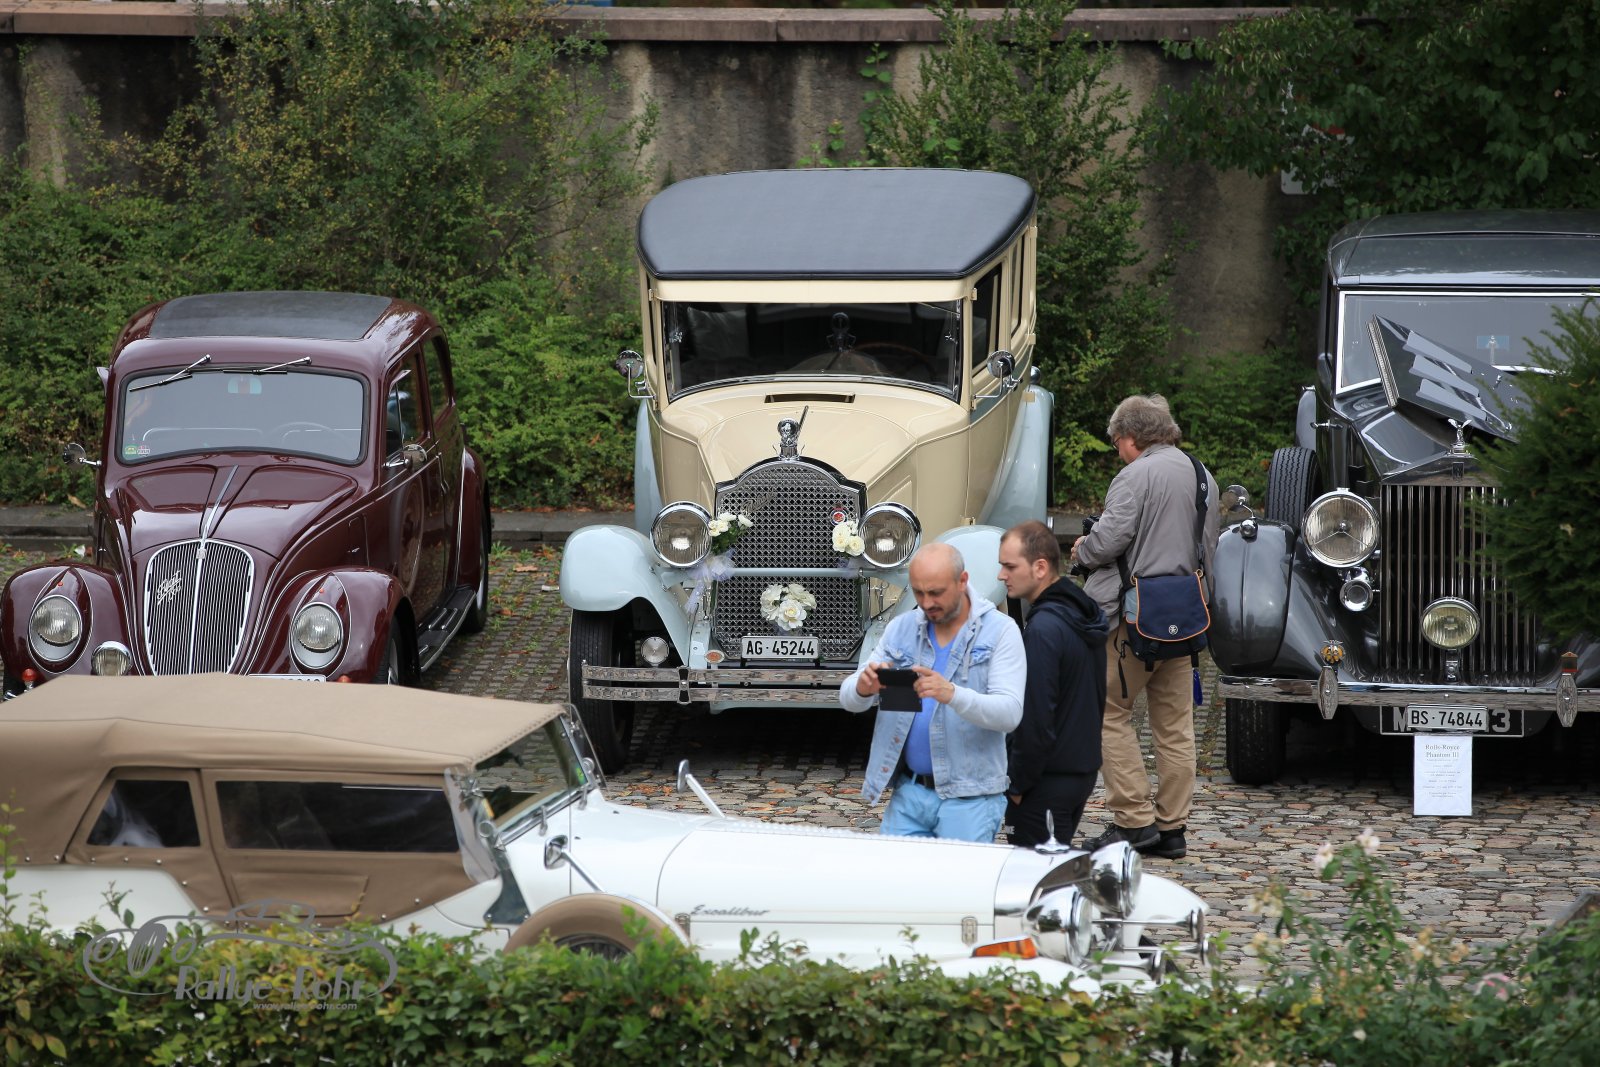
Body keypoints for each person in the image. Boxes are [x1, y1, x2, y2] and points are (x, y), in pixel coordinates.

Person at [1070, 395, 1220, 860]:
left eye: (1117, 442)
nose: (1117, 450)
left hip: (1132, 621)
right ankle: (1172, 828)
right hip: (1186, 617)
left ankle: (1133, 821)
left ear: (1131, 437)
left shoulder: (1135, 476)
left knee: (1106, 712)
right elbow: (1209, 546)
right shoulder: (1202, 475)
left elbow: (1108, 542)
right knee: (1175, 726)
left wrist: (1081, 549)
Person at [839, 542, 1025, 842]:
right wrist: (863, 687)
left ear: (962, 581)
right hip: (909, 794)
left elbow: (1010, 713)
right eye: (918, 592)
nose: (926, 603)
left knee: (958, 875)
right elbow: (848, 697)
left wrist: (952, 694)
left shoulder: (1000, 631)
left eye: (936, 592)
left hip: (970, 799)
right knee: (892, 874)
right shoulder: (901, 628)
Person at [997, 520, 1110, 849]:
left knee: (1034, 876)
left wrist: (1017, 785)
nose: (1001, 575)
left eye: (1010, 566)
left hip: (1045, 781)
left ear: (1040, 567)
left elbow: (1035, 716)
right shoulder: (1081, 613)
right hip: (1079, 771)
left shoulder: (1044, 629)